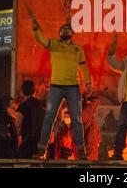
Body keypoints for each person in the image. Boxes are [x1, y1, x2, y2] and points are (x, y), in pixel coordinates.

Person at [32, 20, 92, 160]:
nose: (65, 32)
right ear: (59, 34)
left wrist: (88, 83)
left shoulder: (78, 49)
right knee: (49, 118)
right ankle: (42, 149)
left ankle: (81, 152)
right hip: (56, 87)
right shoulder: (54, 44)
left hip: (73, 87)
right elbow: (40, 39)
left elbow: (83, 67)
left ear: (72, 33)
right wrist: (36, 30)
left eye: (67, 30)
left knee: (76, 120)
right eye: (63, 30)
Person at [16, 81, 45, 159]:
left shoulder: (22, 106)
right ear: (34, 91)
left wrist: (16, 141)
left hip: (27, 140)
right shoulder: (41, 104)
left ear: (22, 91)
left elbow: (18, 125)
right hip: (40, 141)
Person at [82, 93, 101, 160]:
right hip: (90, 146)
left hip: (90, 144)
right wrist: (90, 95)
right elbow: (97, 100)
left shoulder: (80, 113)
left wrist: (98, 139)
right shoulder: (85, 112)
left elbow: (94, 128)